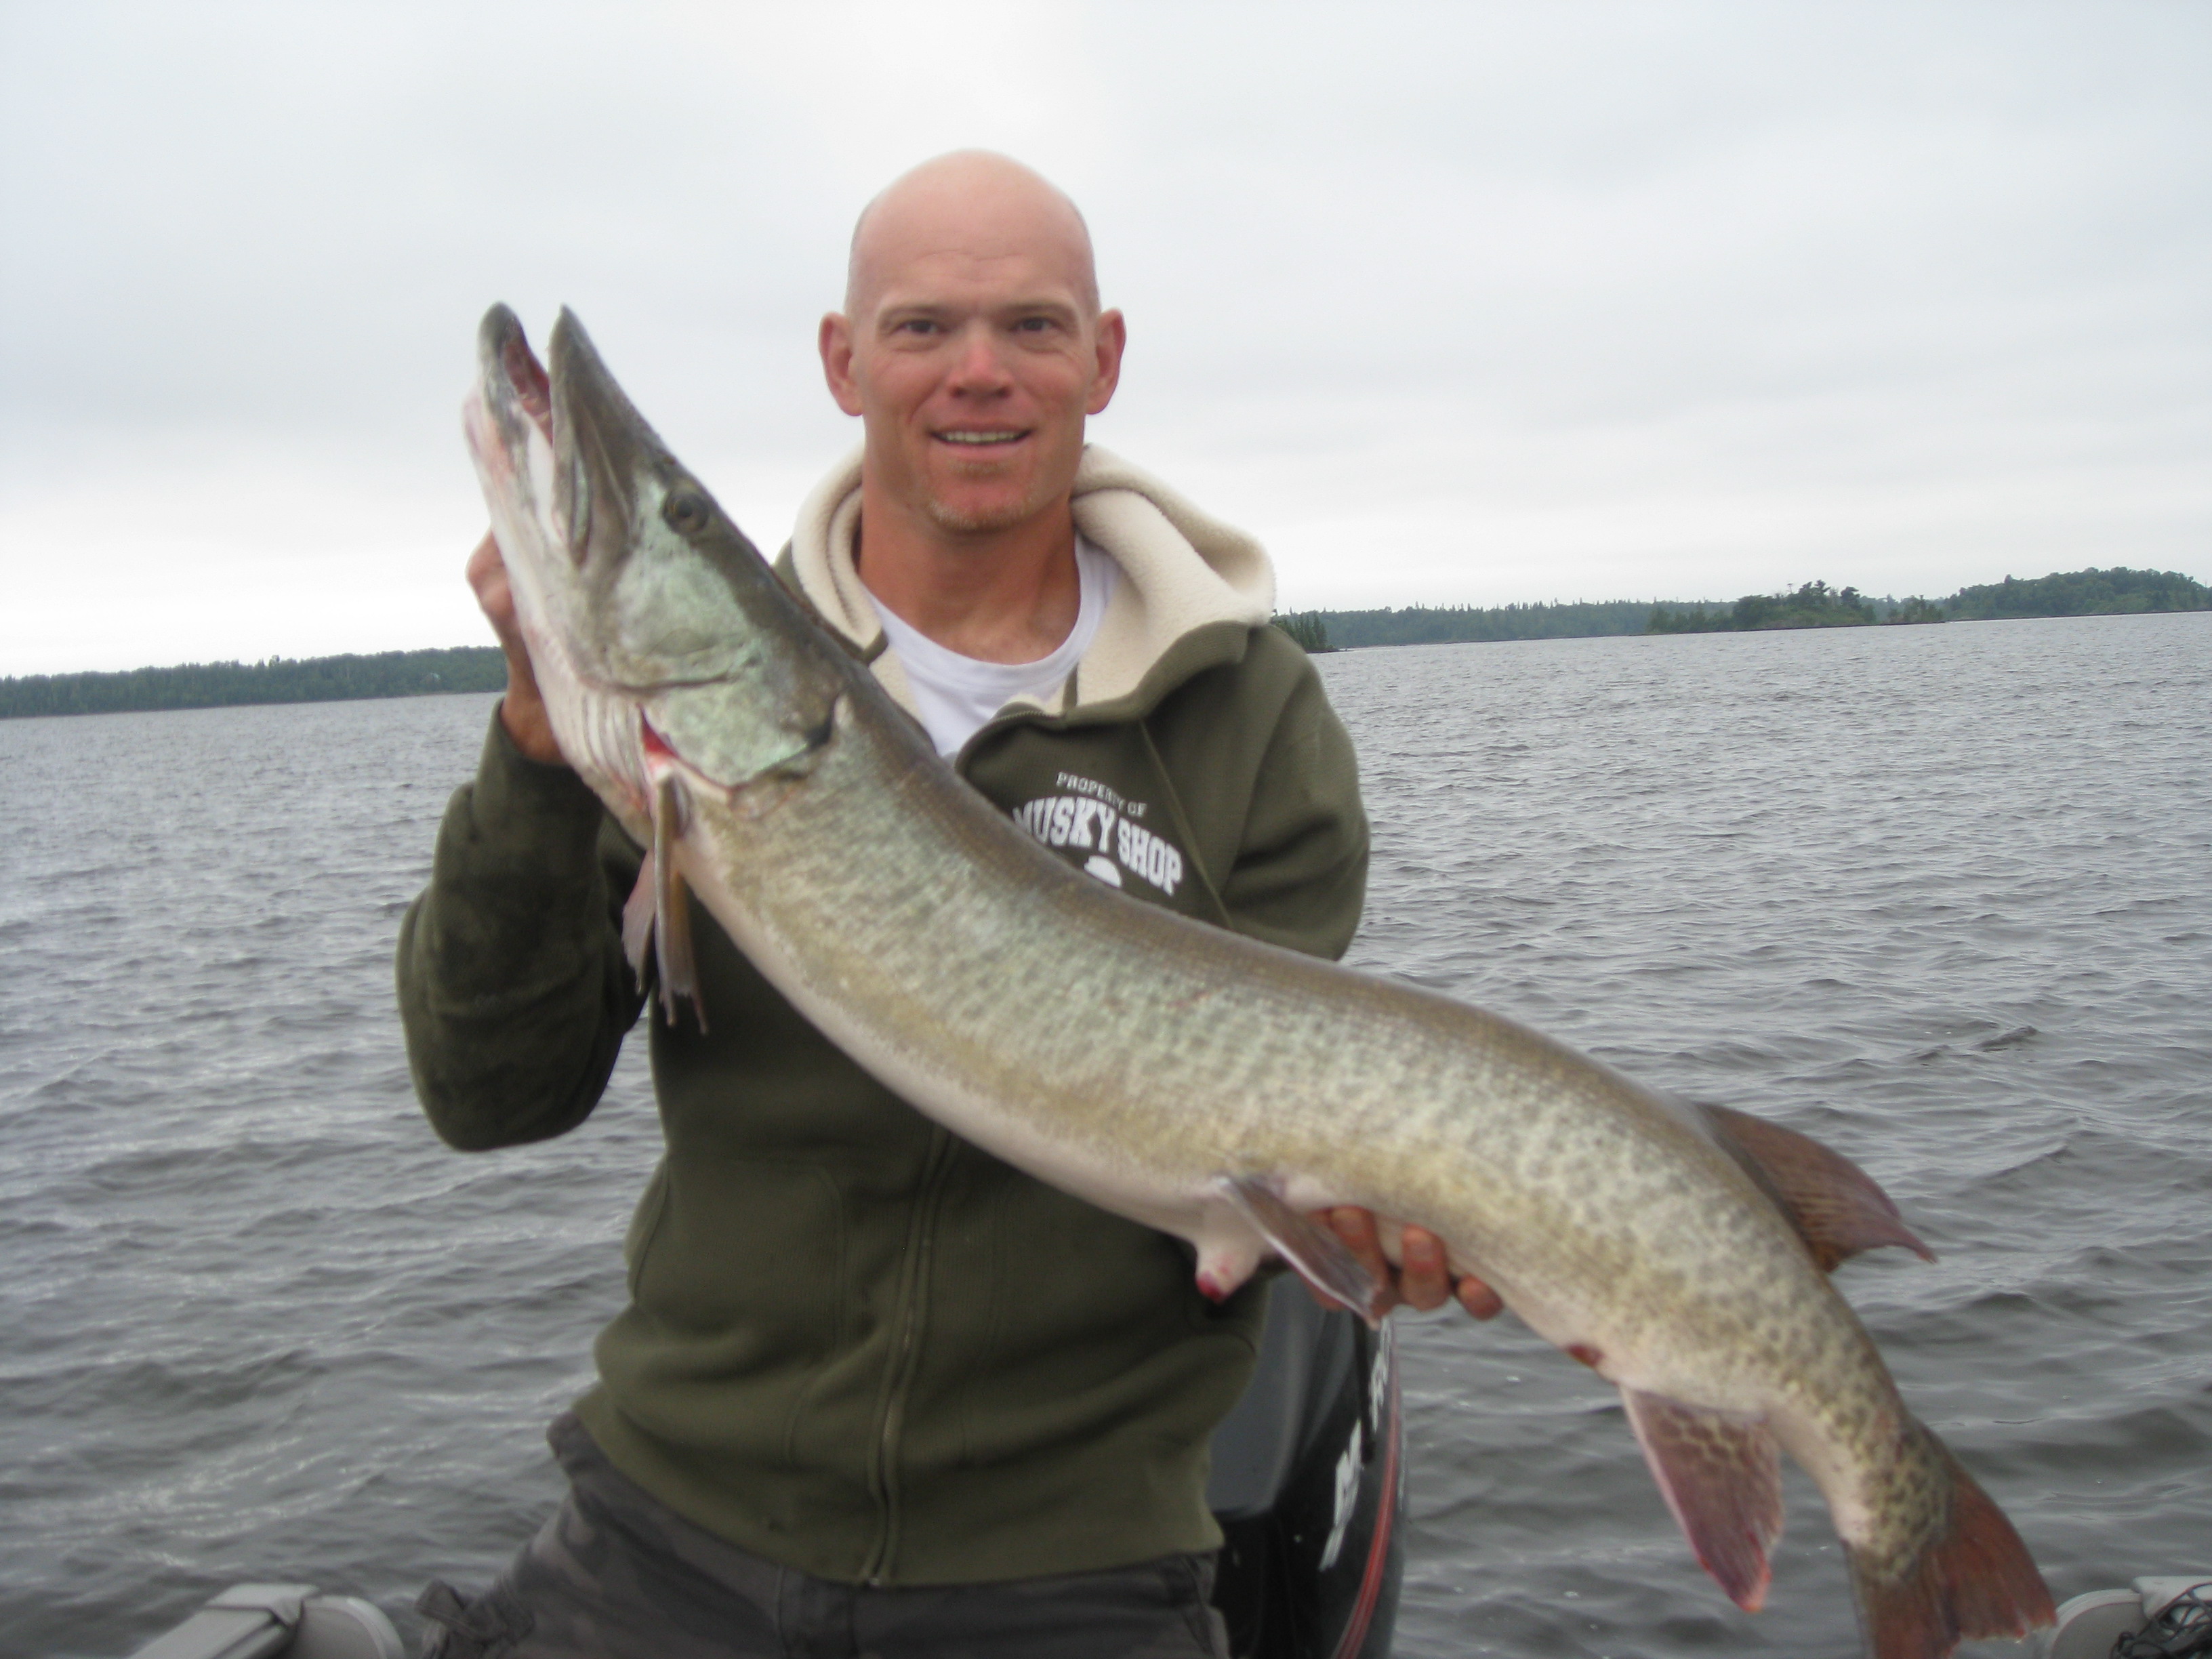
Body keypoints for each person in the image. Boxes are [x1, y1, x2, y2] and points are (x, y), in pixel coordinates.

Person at [398, 150, 1494, 1659]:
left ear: (1102, 361)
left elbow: (1278, 1126)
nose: (978, 373)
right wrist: (536, 746)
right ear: (845, 363)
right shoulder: (681, 743)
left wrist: (1395, 1213)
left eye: (1032, 327)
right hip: (670, 1529)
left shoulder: (1252, 722)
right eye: (922, 329)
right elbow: (490, 1097)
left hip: (1072, 1575)